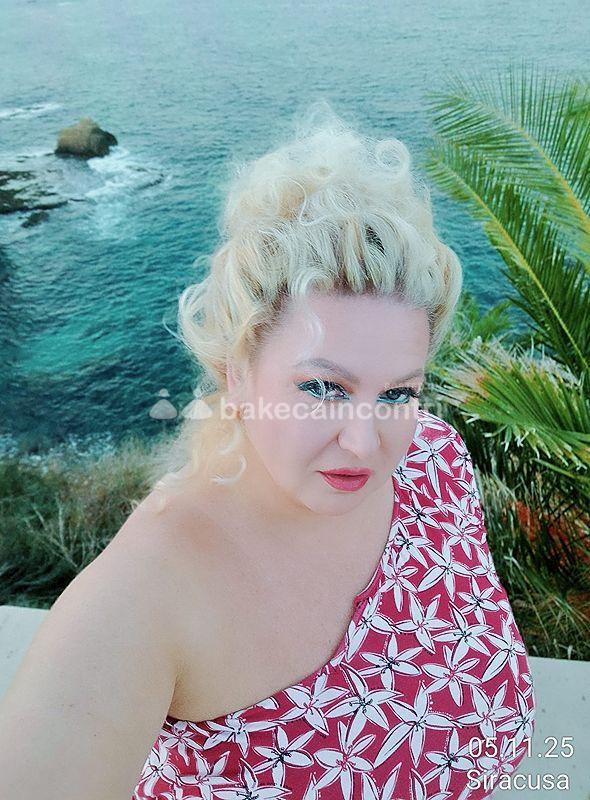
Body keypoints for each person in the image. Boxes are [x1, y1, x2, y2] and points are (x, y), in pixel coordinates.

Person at [0, 103, 535, 800]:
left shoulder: (433, 462)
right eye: (323, 387)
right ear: (237, 372)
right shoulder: (144, 595)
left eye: (398, 393)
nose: (365, 442)